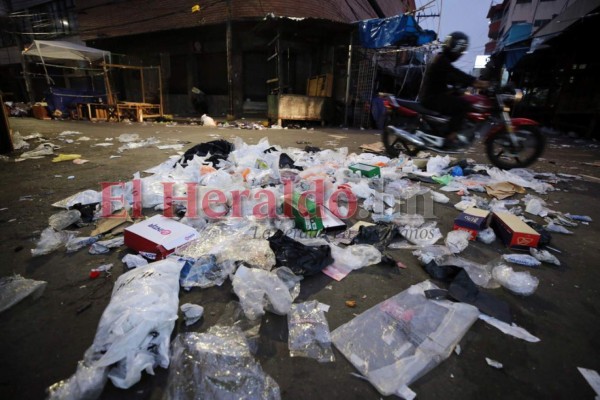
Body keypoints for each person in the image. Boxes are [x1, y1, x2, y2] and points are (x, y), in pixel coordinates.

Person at [418, 31, 489, 149]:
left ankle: (450, 130)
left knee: (460, 99)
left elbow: (451, 78)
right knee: (463, 104)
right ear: (455, 48)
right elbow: (457, 74)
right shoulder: (442, 60)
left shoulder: (441, 58)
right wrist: (475, 82)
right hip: (432, 98)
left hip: (433, 95)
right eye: (461, 50)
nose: (461, 54)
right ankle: (451, 137)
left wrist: (460, 87)